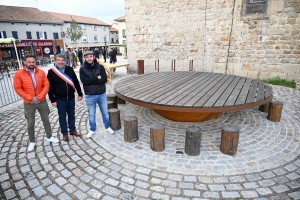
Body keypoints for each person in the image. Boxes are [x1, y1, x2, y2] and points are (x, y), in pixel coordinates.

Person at [13, 54, 59, 151]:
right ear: (24, 62)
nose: (31, 64)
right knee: (30, 123)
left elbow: (46, 85)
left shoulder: (41, 72)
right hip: (28, 103)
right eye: (29, 62)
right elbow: (18, 88)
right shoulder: (19, 74)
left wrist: (40, 96)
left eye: (33, 62)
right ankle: (32, 141)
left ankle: (49, 136)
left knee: (46, 120)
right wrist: (30, 98)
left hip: (41, 101)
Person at [47, 54, 83, 141]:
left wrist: (80, 93)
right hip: (60, 99)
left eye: (62, 60)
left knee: (71, 115)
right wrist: (52, 100)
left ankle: (72, 130)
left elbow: (76, 82)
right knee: (62, 117)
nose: (60, 62)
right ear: (55, 61)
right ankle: (65, 133)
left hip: (71, 97)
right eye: (58, 60)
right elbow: (49, 87)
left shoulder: (70, 69)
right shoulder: (51, 72)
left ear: (65, 61)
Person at [79, 51, 114, 138]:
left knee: (105, 112)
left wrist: (91, 79)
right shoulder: (82, 68)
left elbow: (104, 79)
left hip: (101, 94)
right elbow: (84, 81)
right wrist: (96, 78)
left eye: (91, 56)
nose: (89, 58)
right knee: (91, 114)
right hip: (90, 95)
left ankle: (107, 126)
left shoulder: (100, 66)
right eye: (87, 57)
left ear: (94, 57)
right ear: (85, 58)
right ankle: (92, 129)